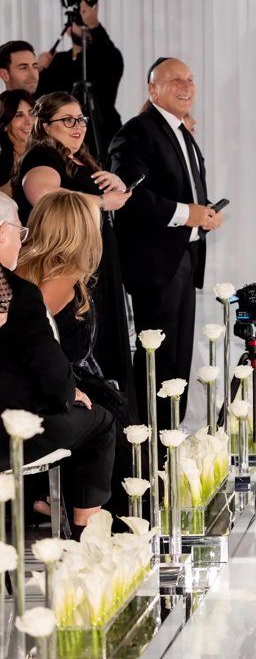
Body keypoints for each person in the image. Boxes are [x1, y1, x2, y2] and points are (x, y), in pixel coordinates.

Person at [109, 58, 222, 430]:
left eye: (190, 79)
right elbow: (129, 194)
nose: (186, 86)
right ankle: (151, 441)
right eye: (175, 80)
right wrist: (186, 214)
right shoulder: (137, 132)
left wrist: (205, 214)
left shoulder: (181, 131)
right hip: (154, 264)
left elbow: (186, 192)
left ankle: (171, 438)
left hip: (183, 258)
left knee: (178, 359)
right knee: (158, 359)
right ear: (152, 89)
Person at [0, 192, 115, 533]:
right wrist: (69, 393)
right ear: (2, 233)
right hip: (11, 430)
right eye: (18, 230)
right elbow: (49, 370)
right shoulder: (18, 293)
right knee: (103, 422)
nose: (23, 239)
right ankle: (85, 536)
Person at [17, 190, 134, 515]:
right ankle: (89, 518)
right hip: (59, 381)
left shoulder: (19, 270)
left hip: (37, 379)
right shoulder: (64, 278)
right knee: (115, 424)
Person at [13, 92, 134, 399]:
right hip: (65, 264)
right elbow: (45, 195)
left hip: (91, 262)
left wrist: (117, 186)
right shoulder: (43, 156)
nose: (78, 126)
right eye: (67, 120)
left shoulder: (76, 157)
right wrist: (103, 201)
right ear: (44, 125)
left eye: (81, 119)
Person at [36, 0, 125, 157]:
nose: (85, 26)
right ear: (68, 29)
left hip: (103, 135)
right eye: (79, 21)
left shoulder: (104, 58)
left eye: (86, 22)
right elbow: (39, 98)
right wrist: (38, 70)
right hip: (63, 140)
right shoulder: (58, 61)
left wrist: (94, 25)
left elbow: (110, 56)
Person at [0, 90, 36, 196]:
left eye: (32, 114)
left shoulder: (50, 154)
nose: (29, 121)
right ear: (5, 125)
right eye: (19, 115)